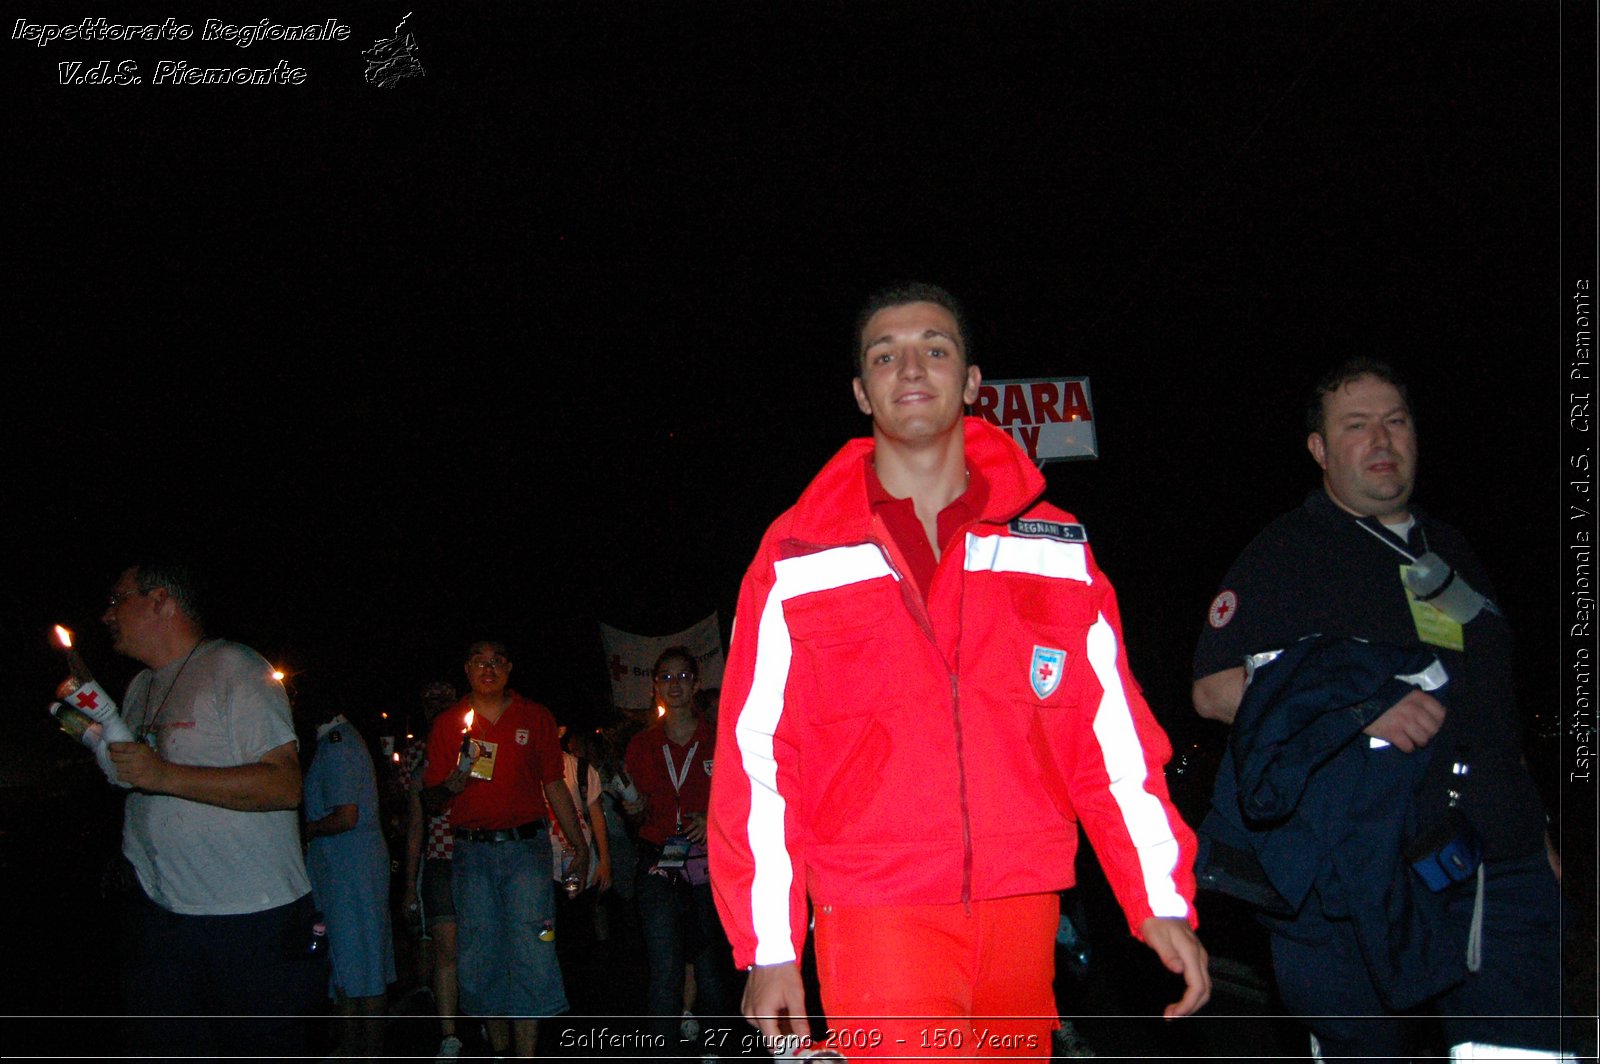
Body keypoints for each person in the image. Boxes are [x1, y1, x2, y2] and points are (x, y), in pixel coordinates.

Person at [709, 283, 1208, 1057]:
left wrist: (1159, 897)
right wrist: (769, 946)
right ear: (860, 390)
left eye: (935, 349)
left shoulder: (1055, 545)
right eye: (886, 354)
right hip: (877, 915)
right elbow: (758, 763)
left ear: (973, 382)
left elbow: (1111, 739)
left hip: (1025, 907)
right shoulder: (795, 554)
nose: (911, 367)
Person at [1191, 359, 1567, 1060]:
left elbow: (1492, 698)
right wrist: (1358, 708)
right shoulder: (1287, 553)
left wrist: (1535, 826)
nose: (1381, 440)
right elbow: (1213, 689)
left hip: (1497, 856)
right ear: (1321, 450)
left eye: (1395, 422)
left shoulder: (1450, 547)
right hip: (1365, 871)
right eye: (1356, 426)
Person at [96, 562, 323, 1058]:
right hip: (164, 917)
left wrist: (163, 775)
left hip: (250, 921)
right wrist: (89, 730)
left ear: (160, 600)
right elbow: (133, 776)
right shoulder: (139, 688)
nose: (107, 614)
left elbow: (284, 785)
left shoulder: (236, 667)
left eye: (118, 599)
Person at [421, 640, 590, 1059]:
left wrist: (580, 846)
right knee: (481, 953)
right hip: (472, 854)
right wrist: (450, 787)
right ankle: (498, 1051)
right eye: (480, 661)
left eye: (497, 661)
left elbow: (554, 784)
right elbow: (430, 800)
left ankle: (526, 1055)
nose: (489, 668)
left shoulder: (535, 717)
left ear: (510, 668)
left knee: (533, 947)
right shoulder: (448, 725)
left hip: (526, 851)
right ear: (467, 669)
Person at [624, 647, 736, 1052]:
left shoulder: (718, 738)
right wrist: (633, 810)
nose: (675, 685)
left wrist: (713, 819)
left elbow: (742, 798)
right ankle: (662, 1051)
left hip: (709, 867)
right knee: (665, 968)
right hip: (658, 862)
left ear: (696, 684)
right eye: (666, 678)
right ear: (655, 687)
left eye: (683, 677)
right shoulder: (641, 745)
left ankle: (717, 1050)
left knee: (709, 969)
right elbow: (636, 815)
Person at [303, 703, 397, 1059]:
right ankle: (352, 1048)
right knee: (349, 965)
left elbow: (346, 816)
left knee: (363, 965)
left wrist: (304, 830)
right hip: (345, 869)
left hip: (350, 869)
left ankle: (366, 1051)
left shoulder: (338, 744)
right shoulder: (337, 741)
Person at [402, 681, 465, 1060]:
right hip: (440, 859)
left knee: (478, 947)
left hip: (476, 854)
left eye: (443, 700)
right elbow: (415, 823)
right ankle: (450, 1034)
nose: (436, 707)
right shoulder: (416, 753)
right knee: (445, 950)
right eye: (430, 701)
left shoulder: (472, 744)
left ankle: (492, 1024)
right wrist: (409, 883)